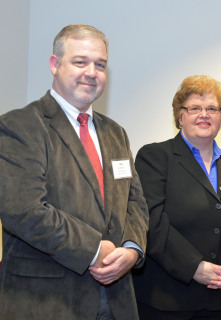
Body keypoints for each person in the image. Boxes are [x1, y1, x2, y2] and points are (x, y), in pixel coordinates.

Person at [0, 24, 149, 320]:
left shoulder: (115, 133)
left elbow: (136, 203)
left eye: (100, 64)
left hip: (118, 299)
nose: (92, 72)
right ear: (55, 65)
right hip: (48, 301)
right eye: (80, 61)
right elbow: (23, 210)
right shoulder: (20, 126)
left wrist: (132, 250)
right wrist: (95, 249)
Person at [132, 75, 221, 320]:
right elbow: (152, 223)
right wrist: (195, 268)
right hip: (166, 300)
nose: (204, 114)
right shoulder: (155, 157)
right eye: (195, 108)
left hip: (219, 298)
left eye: (213, 108)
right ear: (180, 116)